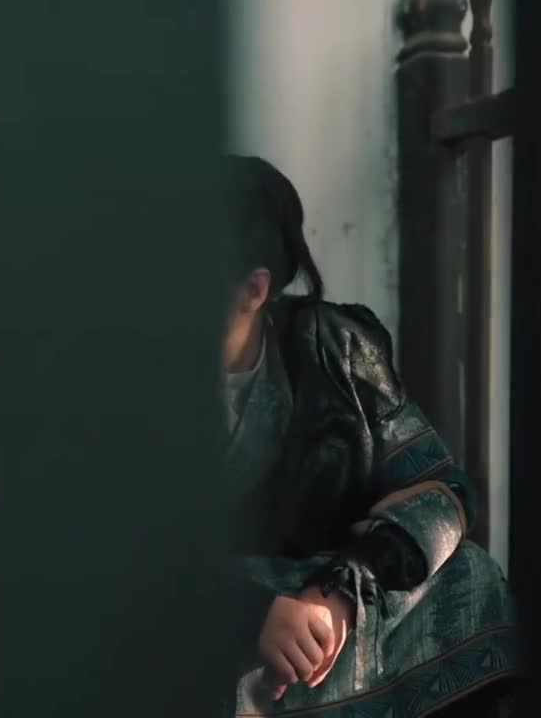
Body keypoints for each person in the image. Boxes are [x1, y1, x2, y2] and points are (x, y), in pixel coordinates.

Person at [222, 156, 519, 716]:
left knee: (469, 575)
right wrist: (253, 613)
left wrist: (340, 592)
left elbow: (443, 492)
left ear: (253, 290)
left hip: (324, 605)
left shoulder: (337, 348)